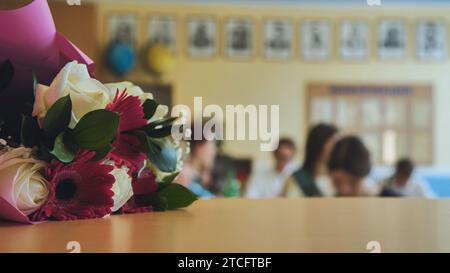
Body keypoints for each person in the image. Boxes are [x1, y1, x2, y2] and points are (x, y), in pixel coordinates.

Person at [328, 136, 399, 197]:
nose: (344, 190)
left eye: (353, 182)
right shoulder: (327, 204)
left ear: (364, 176)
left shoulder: (394, 200)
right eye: (337, 181)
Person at [283, 124, 338, 197]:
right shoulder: (297, 179)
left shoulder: (341, 178)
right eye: (333, 143)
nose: (338, 147)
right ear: (319, 144)